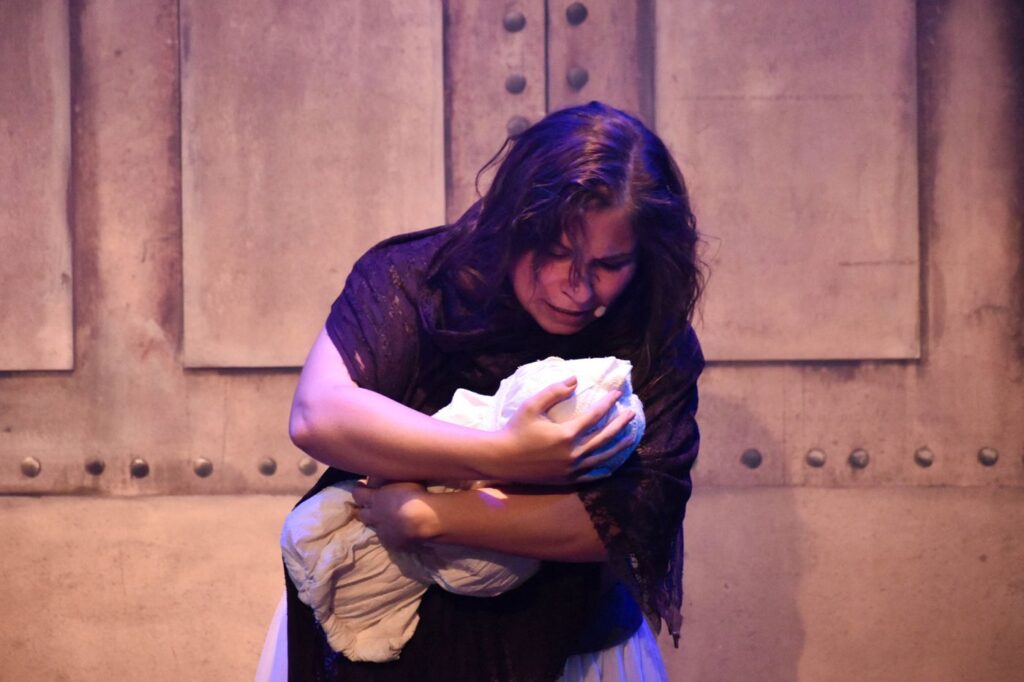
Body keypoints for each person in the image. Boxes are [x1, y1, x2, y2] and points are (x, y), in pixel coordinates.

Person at [277, 100, 704, 681]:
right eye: (556, 253)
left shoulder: (654, 336)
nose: (577, 288)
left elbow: (627, 523)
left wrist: (435, 517)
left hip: (569, 650)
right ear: (512, 224)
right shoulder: (420, 278)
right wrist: (506, 454)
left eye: (608, 265)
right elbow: (317, 415)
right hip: (378, 643)